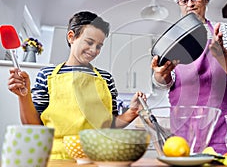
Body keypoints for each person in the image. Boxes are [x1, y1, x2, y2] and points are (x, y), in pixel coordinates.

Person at [8, 11, 146, 159]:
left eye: (99, 46)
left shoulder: (106, 79)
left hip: (98, 158)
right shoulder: (46, 75)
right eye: (89, 42)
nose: (94, 50)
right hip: (57, 158)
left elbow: (109, 125)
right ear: (71, 37)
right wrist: (24, 96)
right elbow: (34, 126)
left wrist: (131, 112)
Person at [151, 0, 227, 154]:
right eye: (184, 0)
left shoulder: (226, 30)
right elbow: (162, 83)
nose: (190, 4)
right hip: (186, 132)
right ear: (179, 4)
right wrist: (161, 75)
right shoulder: (172, 39)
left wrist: (223, 55)